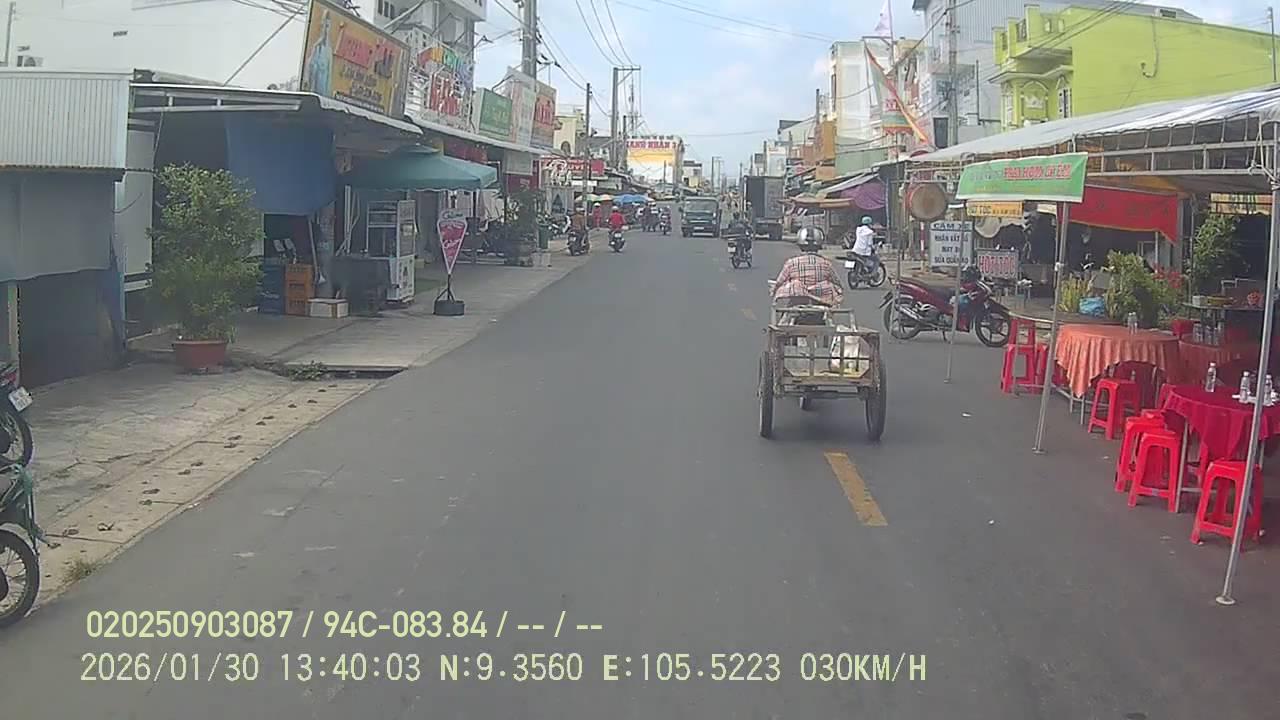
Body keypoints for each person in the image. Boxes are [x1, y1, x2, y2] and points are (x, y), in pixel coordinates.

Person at [772, 227, 843, 307]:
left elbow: (780, 282)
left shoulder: (791, 263)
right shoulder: (826, 264)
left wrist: (774, 291)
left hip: (797, 302)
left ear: (800, 245)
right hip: (822, 302)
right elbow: (837, 283)